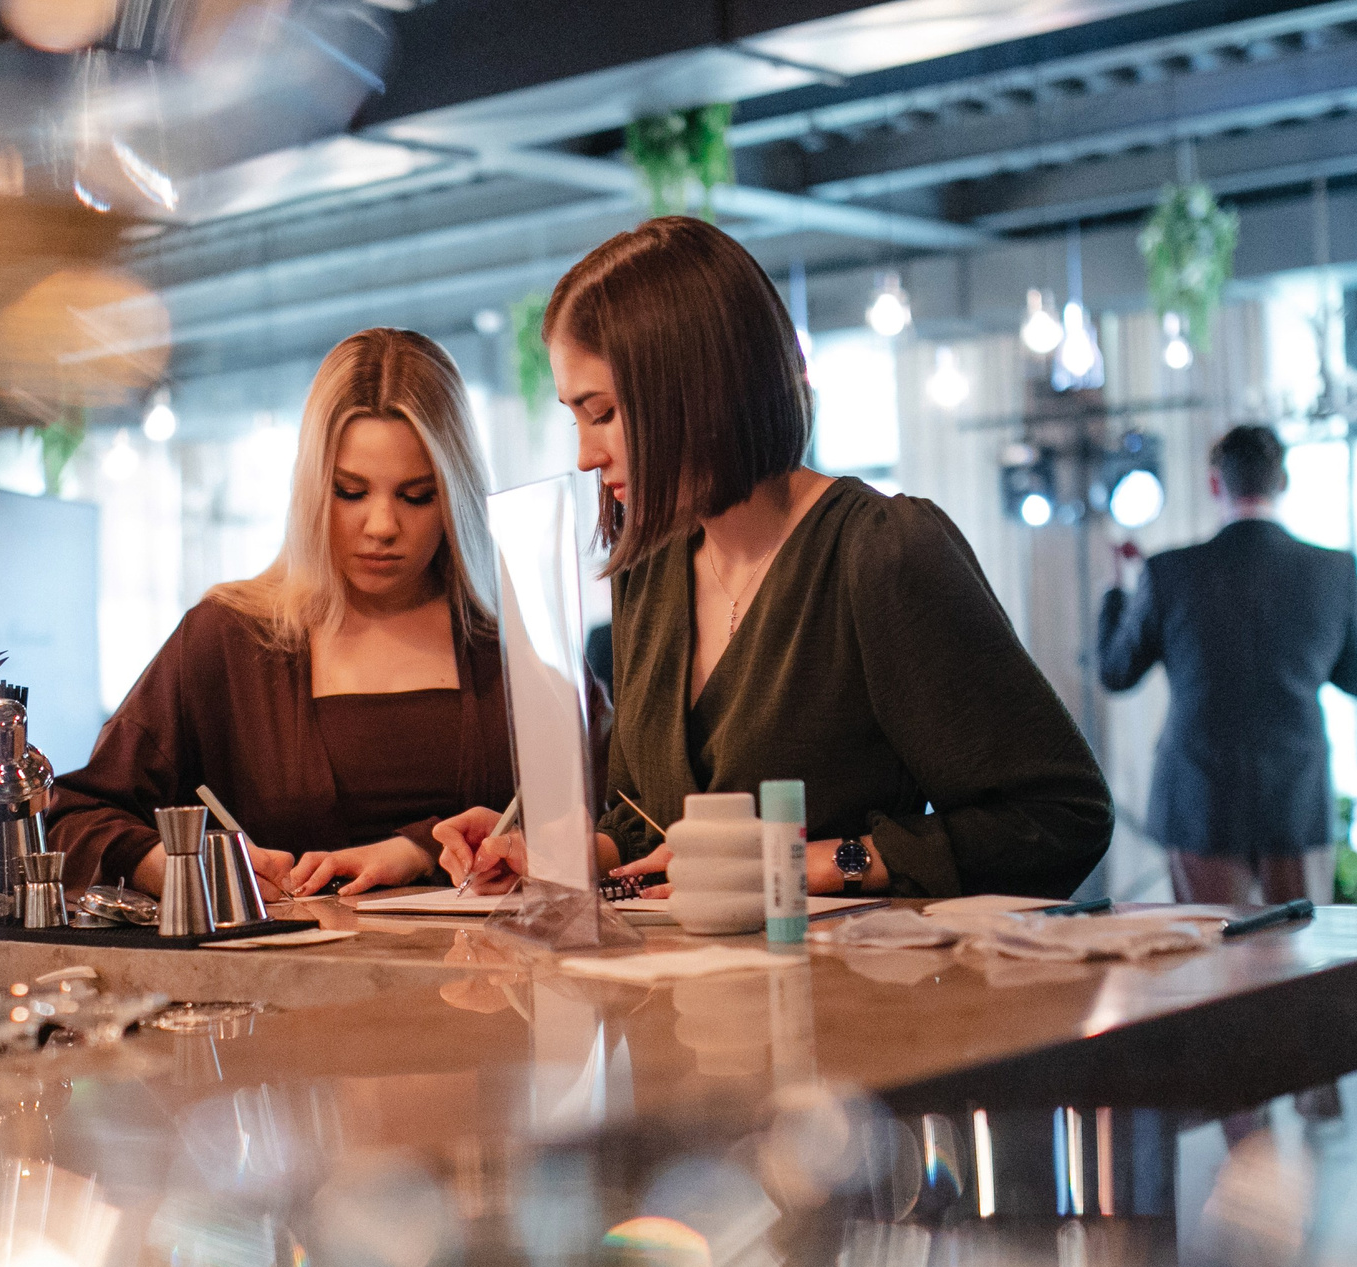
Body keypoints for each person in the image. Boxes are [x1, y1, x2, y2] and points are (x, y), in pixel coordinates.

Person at [436, 216, 1111, 900]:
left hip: (846, 968)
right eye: (575, 417)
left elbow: (1060, 818)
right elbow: (652, 824)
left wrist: (823, 861)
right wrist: (565, 850)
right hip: (683, 967)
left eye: (604, 413)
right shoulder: (650, 569)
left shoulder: (881, 552)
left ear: (694, 391)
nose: (585, 455)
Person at [47, 329, 515, 899]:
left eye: (417, 495)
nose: (382, 526)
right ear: (311, 489)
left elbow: (596, 825)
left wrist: (419, 851)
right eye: (350, 492)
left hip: (485, 959)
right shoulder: (227, 639)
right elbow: (78, 818)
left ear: (457, 495)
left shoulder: (512, 647)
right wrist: (186, 872)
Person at [1097, 424, 1357, 906]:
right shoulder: (1334, 571)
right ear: (1282, 480)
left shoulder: (1168, 572)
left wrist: (1119, 588)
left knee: (1212, 948)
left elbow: (1116, 672)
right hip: (1295, 800)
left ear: (1214, 484)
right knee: (1302, 946)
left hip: (1199, 801)